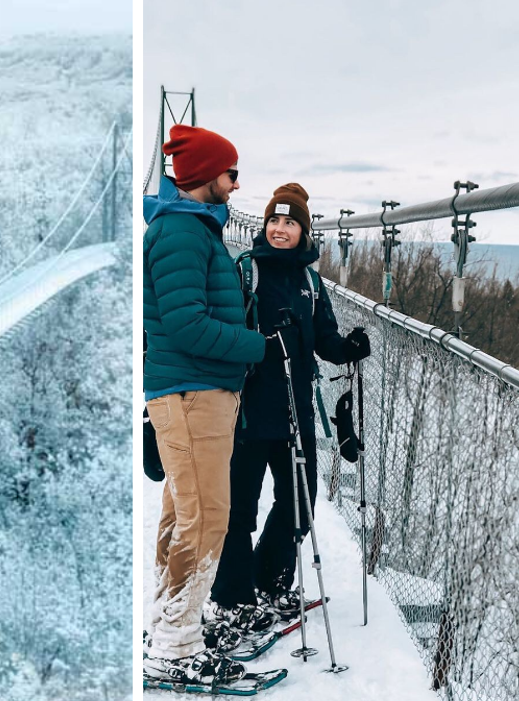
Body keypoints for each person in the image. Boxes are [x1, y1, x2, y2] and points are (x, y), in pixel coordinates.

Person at [207, 183, 370, 638]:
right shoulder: (245, 272)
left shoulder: (310, 282)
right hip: (246, 411)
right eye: (274, 221)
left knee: (299, 503)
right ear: (264, 225)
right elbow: (222, 333)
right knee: (238, 510)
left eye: (290, 223)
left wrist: (349, 348)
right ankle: (231, 598)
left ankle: (268, 579)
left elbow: (326, 339)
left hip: (295, 412)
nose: (280, 230)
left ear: (303, 230)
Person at [141, 125, 266, 685]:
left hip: (198, 391)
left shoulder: (191, 229)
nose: (237, 185)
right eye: (231, 173)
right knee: (207, 516)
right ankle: (175, 642)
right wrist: (258, 346)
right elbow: (187, 324)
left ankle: (170, 622)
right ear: (207, 175)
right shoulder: (181, 234)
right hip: (192, 392)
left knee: (182, 511)